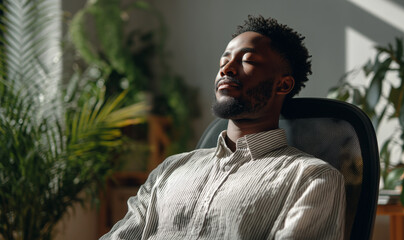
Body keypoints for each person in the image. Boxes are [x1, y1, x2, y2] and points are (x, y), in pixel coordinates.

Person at [101, 15, 345, 240]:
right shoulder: (170, 170)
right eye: (224, 60)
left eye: (247, 60)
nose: (226, 69)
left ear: (282, 85)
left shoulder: (311, 177)